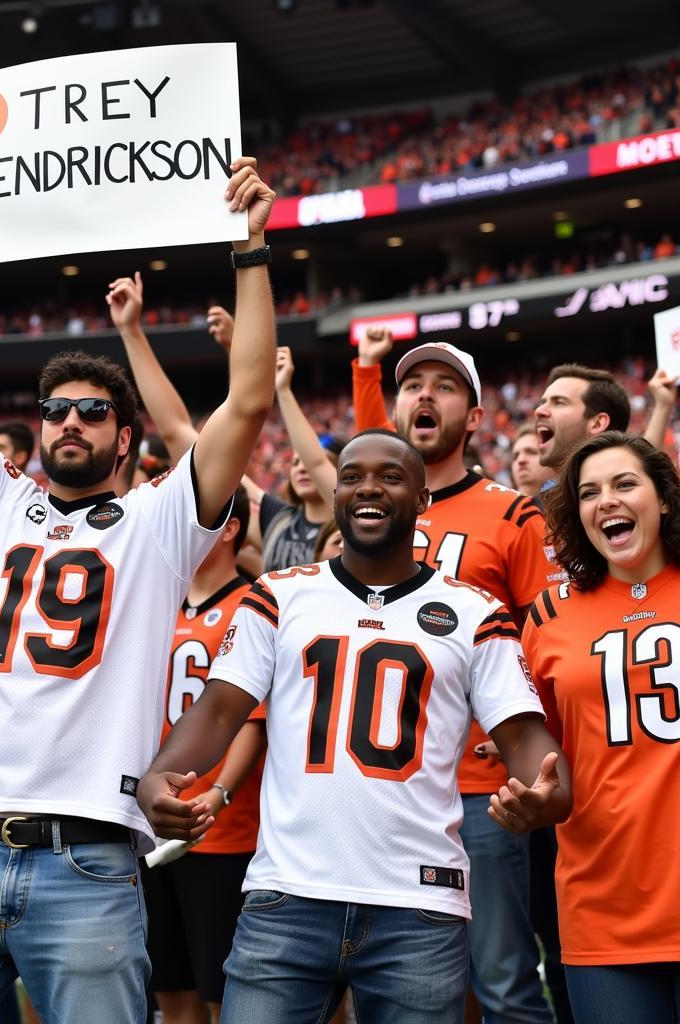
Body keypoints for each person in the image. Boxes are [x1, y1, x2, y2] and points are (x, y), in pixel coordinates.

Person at [0, 152, 277, 1024]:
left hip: (87, 858)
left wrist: (250, 251)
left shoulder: (162, 523)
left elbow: (246, 400)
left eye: (94, 411)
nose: (68, 423)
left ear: (127, 438)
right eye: (57, 409)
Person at [139, 429, 571, 1024]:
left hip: (417, 902)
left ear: (422, 499)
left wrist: (547, 788)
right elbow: (219, 709)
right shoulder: (280, 594)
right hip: (287, 893)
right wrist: (162, 773)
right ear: (336, 491)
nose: (368, 487)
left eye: (391, 477)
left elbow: (524, 736)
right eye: (353, 476)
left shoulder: (475, 610)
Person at [352, 329, 559, 1024]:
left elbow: (547, 634)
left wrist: (527, 732)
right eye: (412, 384)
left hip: (477, 790)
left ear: (474, 417)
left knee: (502, 978)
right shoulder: (370, 516)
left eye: (444, 386)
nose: (424, 395)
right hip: (383, 785)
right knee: (409, 983)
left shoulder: (513, 513)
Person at [523, 431, 680, 1023]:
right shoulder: (550, 614)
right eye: (588, 492)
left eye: (624, 484)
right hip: (603, 904)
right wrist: (527, 783)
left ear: (663, 498)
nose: (605, 501)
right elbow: (541, 745)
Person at [143, 485, 268, 1024]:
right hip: (150, 822)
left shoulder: (253, 602)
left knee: (222, 995)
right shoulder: (158, 600)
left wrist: (219, 794)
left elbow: (253, 724)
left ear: (230, 528)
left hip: (222, 830)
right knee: (170, 990)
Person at [109, 277, 329, 571]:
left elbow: (247, 412)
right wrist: (131, 332)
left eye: (315, 458)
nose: (302, 465)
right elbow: (176, 429)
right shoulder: (276, 522)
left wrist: (281, 390)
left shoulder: (351, 526)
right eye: (296, 460)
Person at [509, 424, 555, 498]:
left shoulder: (575, 505)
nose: (520, 460)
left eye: (531, 452)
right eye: (515, 457)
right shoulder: (500, 507)